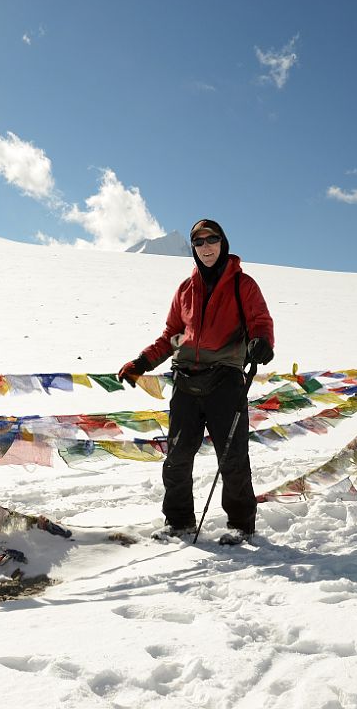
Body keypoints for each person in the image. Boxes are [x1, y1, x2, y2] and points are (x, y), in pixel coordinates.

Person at [118, 219, 275, 545]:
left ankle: (241, 525)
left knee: (232, 456)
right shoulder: (186, 290)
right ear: (193, 248)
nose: (206, 247)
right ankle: (179, 522)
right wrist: (142, 362)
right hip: (186, 382)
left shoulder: (242, 285)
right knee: (176, 456)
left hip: (226, 379)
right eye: (199, 242)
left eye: (212, 239)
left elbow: (260, 319)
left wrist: (262, 342)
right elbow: (173, 336)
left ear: (223, 242)